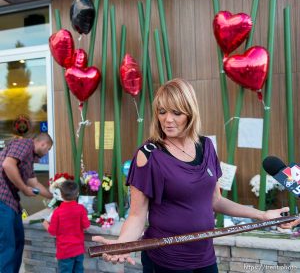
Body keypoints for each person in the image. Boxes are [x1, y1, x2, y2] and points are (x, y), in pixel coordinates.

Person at [92, 78, 299, 273]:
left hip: (205, 257)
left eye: (176, 113)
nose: (168, 120)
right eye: (162, 112)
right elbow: (137, 215)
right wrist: (124, 244)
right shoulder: (148, 154)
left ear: (190, 114)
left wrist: (263, 215)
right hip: (166, 259)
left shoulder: (206, 146)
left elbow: (215, 201)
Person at [0, 132, 53, 273]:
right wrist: (23, 188)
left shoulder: (29, 159)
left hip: (11, 201)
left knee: (18, 241)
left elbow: (34, 183)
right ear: (43, 144)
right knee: (7, 245)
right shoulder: (24, 144)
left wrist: (54, 197)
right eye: (48, 150)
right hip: (2, 198)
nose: (47, 153)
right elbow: (7, 164)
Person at [43, 180, 90, 273]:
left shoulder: (57, 212)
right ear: (77, 194)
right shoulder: (81, 209)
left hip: (64, 252)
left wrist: (45, 224)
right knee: (79, 270)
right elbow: (86, 226)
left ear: (61, 194)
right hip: (78, 250)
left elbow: (52, 231)